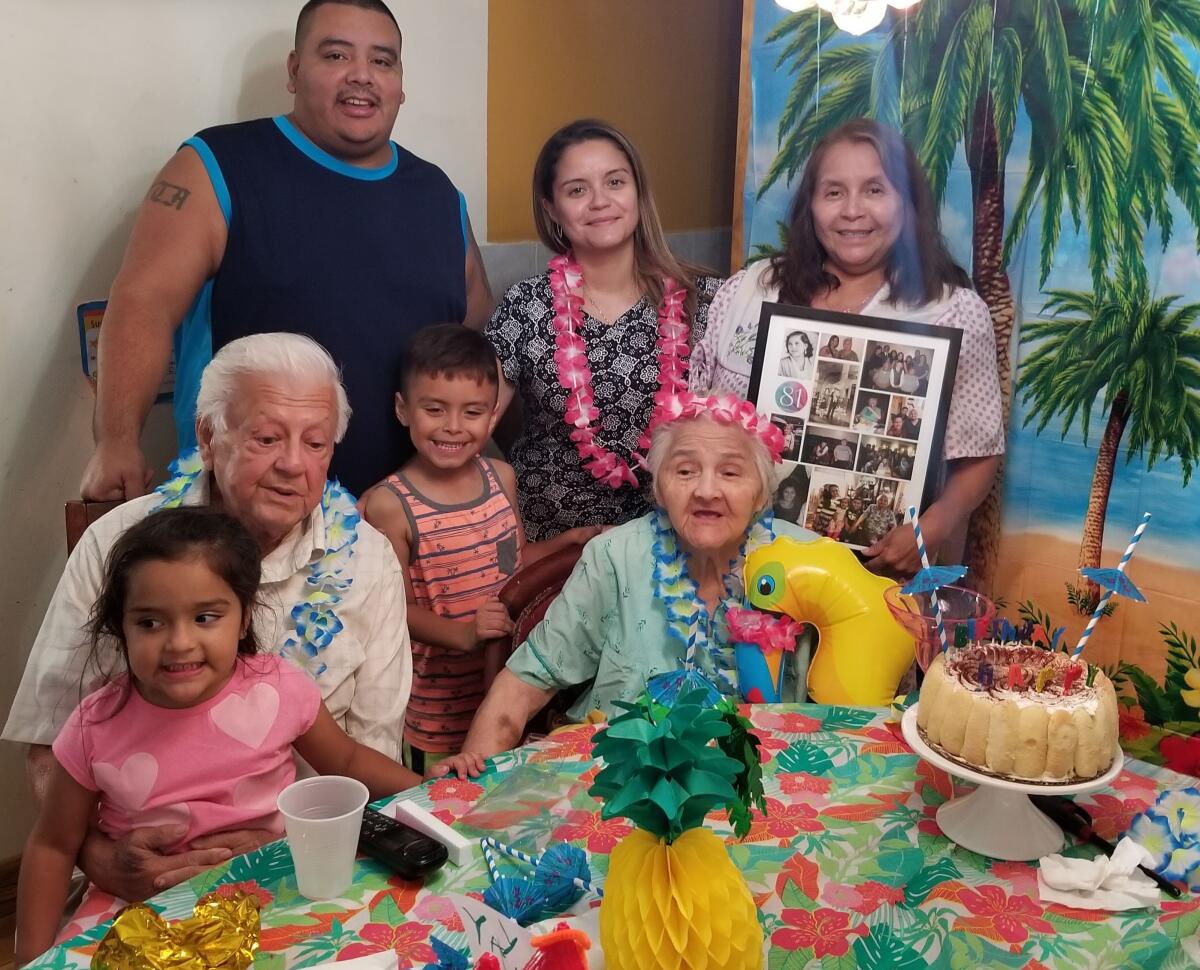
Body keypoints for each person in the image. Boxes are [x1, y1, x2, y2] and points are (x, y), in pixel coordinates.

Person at [4, 333, 411, 903]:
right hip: (136, 881)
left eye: (316, 443)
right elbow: (48, 745)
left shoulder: (367, 561)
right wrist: (98, 856)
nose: (293, 464)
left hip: (310, 872)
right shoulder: (119, 544)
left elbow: (367, 759)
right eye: (267, 437)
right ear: (208, 436)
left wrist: (294, 850)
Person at [79, 0, 493, 501]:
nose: (361, 76)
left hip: (407, 523)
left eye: (382, 61)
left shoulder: (440, 196)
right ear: (295, 71)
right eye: (336, 56)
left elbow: (475, 339)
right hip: (244, 520)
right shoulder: (214, 166)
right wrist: (117, 440)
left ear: (401, 84)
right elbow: (143, 301)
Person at [15, 508, 421, 966]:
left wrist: (430, 786)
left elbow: (346, 762)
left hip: (274, 892)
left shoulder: (279, 687)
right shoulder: (95, 723)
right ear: (120, 627)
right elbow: (53, 844)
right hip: (138, 910)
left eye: (205, 617)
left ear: (244, 619)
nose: (179, 643)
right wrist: (33, 957)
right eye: (150, 622)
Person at [431, 393, 817, 767]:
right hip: (617, 779)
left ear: (761, 493)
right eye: (685, 471)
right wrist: (468, 779)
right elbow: (524, 682)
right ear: (660, 488)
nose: (706, 491)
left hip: (767, 785)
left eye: (731, 472)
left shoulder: (806, 563)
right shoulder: (616, 556)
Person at [691, 118, 1003, 576]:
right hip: (735, 561)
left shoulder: (951, 311)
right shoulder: (750, 290)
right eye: (834, 192)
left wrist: (929, 530)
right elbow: (693, 414)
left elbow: (978, 452)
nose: (852, 211)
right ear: (810, 206)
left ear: (906, 203)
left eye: (875, 190)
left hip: (874, 577)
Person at [359, 326, 600, 772]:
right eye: (435, 409)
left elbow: (511, 564)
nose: (453, 426)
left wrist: (568, 542)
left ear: (492, 418)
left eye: (471, 412)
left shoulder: (500, 477)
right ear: (402, 409)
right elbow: (389, 611)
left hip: (506, 691)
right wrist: (466, 633)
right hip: (434, 713)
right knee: (445, 803)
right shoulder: (389, 505)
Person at [485, 120, 723, 540]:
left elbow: (744, 432)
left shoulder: (705, 303)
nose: (600, 201)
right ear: (552, 209)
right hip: (551, 545)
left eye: (615, 182)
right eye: (577, 190)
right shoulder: (525, 305)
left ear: (638, 192)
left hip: (673, 545)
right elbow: (467, 422)